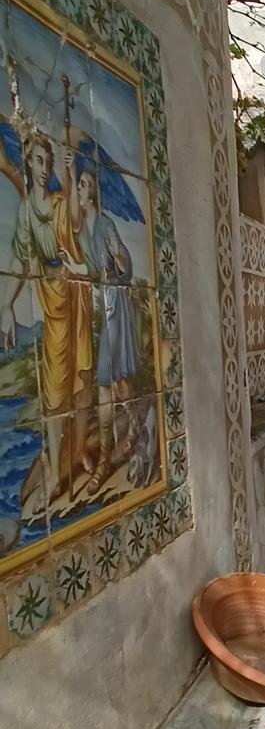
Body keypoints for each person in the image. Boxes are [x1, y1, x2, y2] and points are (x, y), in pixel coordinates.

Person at [0, 129, 93, 504]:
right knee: (55, 390)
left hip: (76, 297)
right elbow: (22, 260)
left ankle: (81, 448)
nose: (43, 168)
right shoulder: (26, 211)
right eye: (38, 160)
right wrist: (7, 304)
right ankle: (54, 468)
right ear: (27, 162)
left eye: (48, 162)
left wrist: (70, 178)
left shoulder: (58, 203)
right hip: (51, 301)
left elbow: (72, 217)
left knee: (82, 380)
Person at [64, 165, 139, 495]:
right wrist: (74, 269)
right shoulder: (83, 234)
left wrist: (119, 257)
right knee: (116, 383)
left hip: (116, 310)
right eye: (79, 184)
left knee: (109, 383)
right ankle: (135, 425)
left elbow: (124, 264)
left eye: (82, 184)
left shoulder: (105, 224)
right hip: (101, 311)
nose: (79, 189)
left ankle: (105, 462)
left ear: (93, 193)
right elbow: (95, 272)